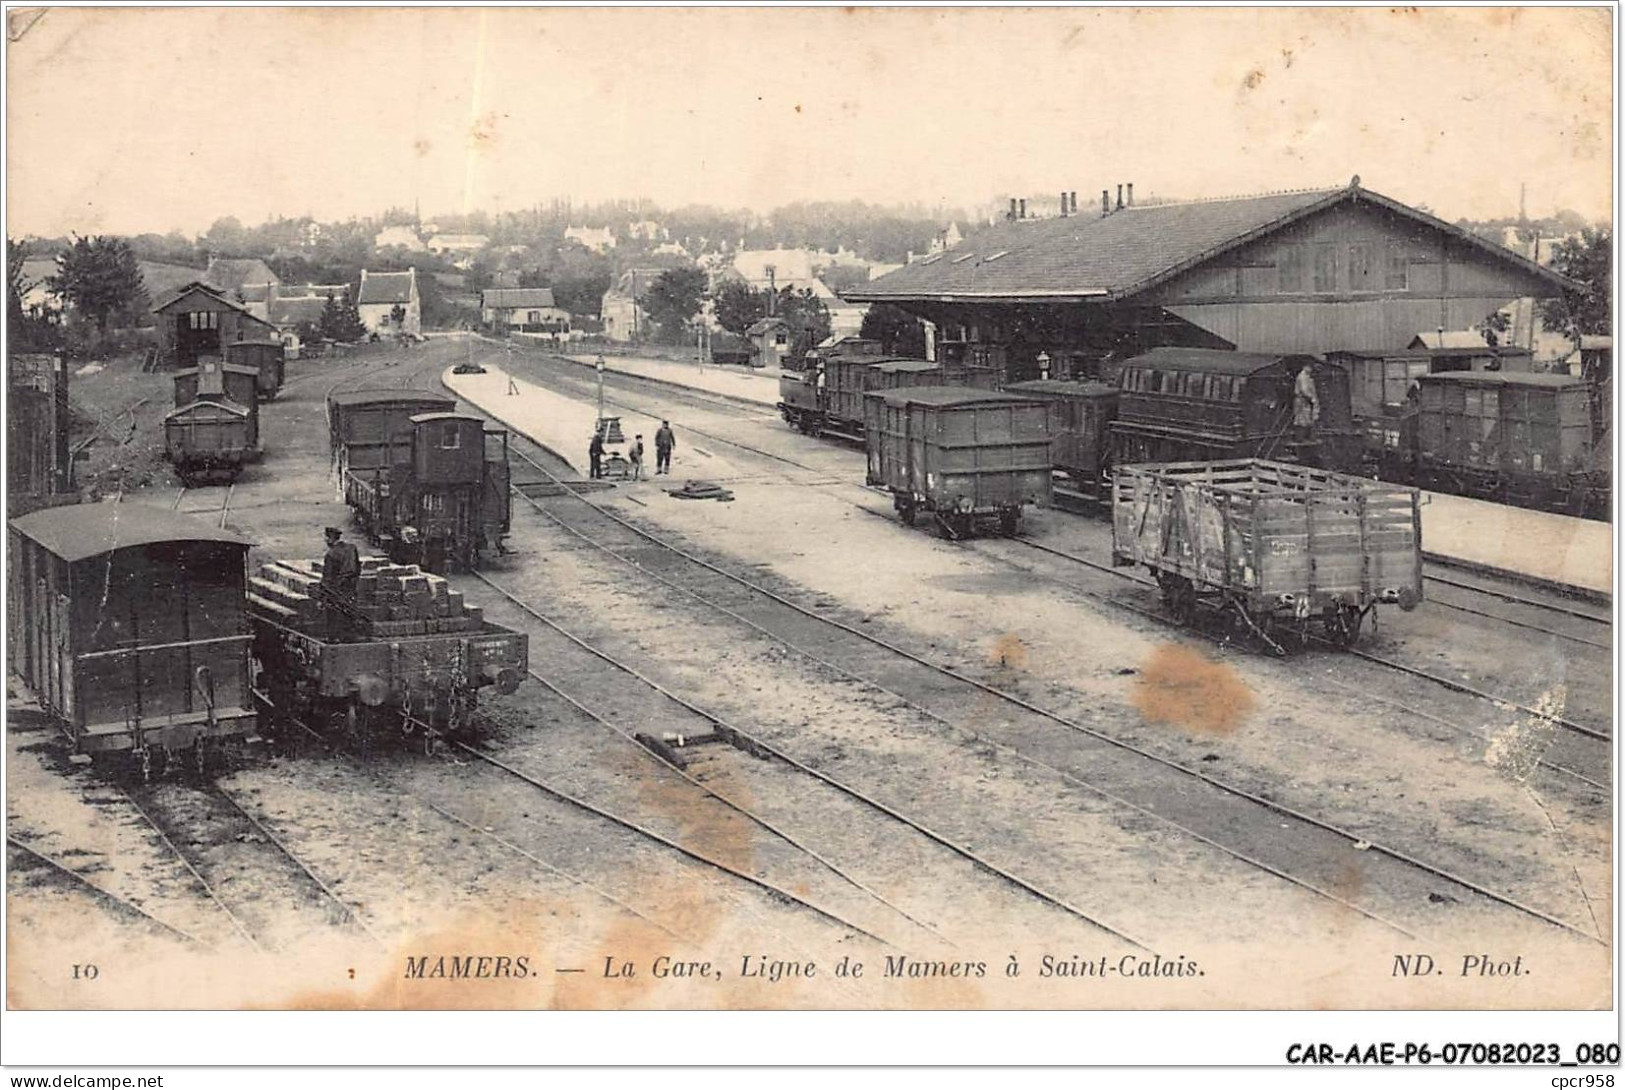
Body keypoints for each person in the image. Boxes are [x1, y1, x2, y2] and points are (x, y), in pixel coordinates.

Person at [320, 526, 361, 639]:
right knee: (349, 616)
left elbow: (327, 578)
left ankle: (333, 639)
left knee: (333, 617)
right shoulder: (352, 548)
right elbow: (357, 568)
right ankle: (350, 639)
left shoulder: (331, 554)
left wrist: (323, 596)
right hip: (350, 590)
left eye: (326, 538)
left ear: (330, 539)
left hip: (335, 591)